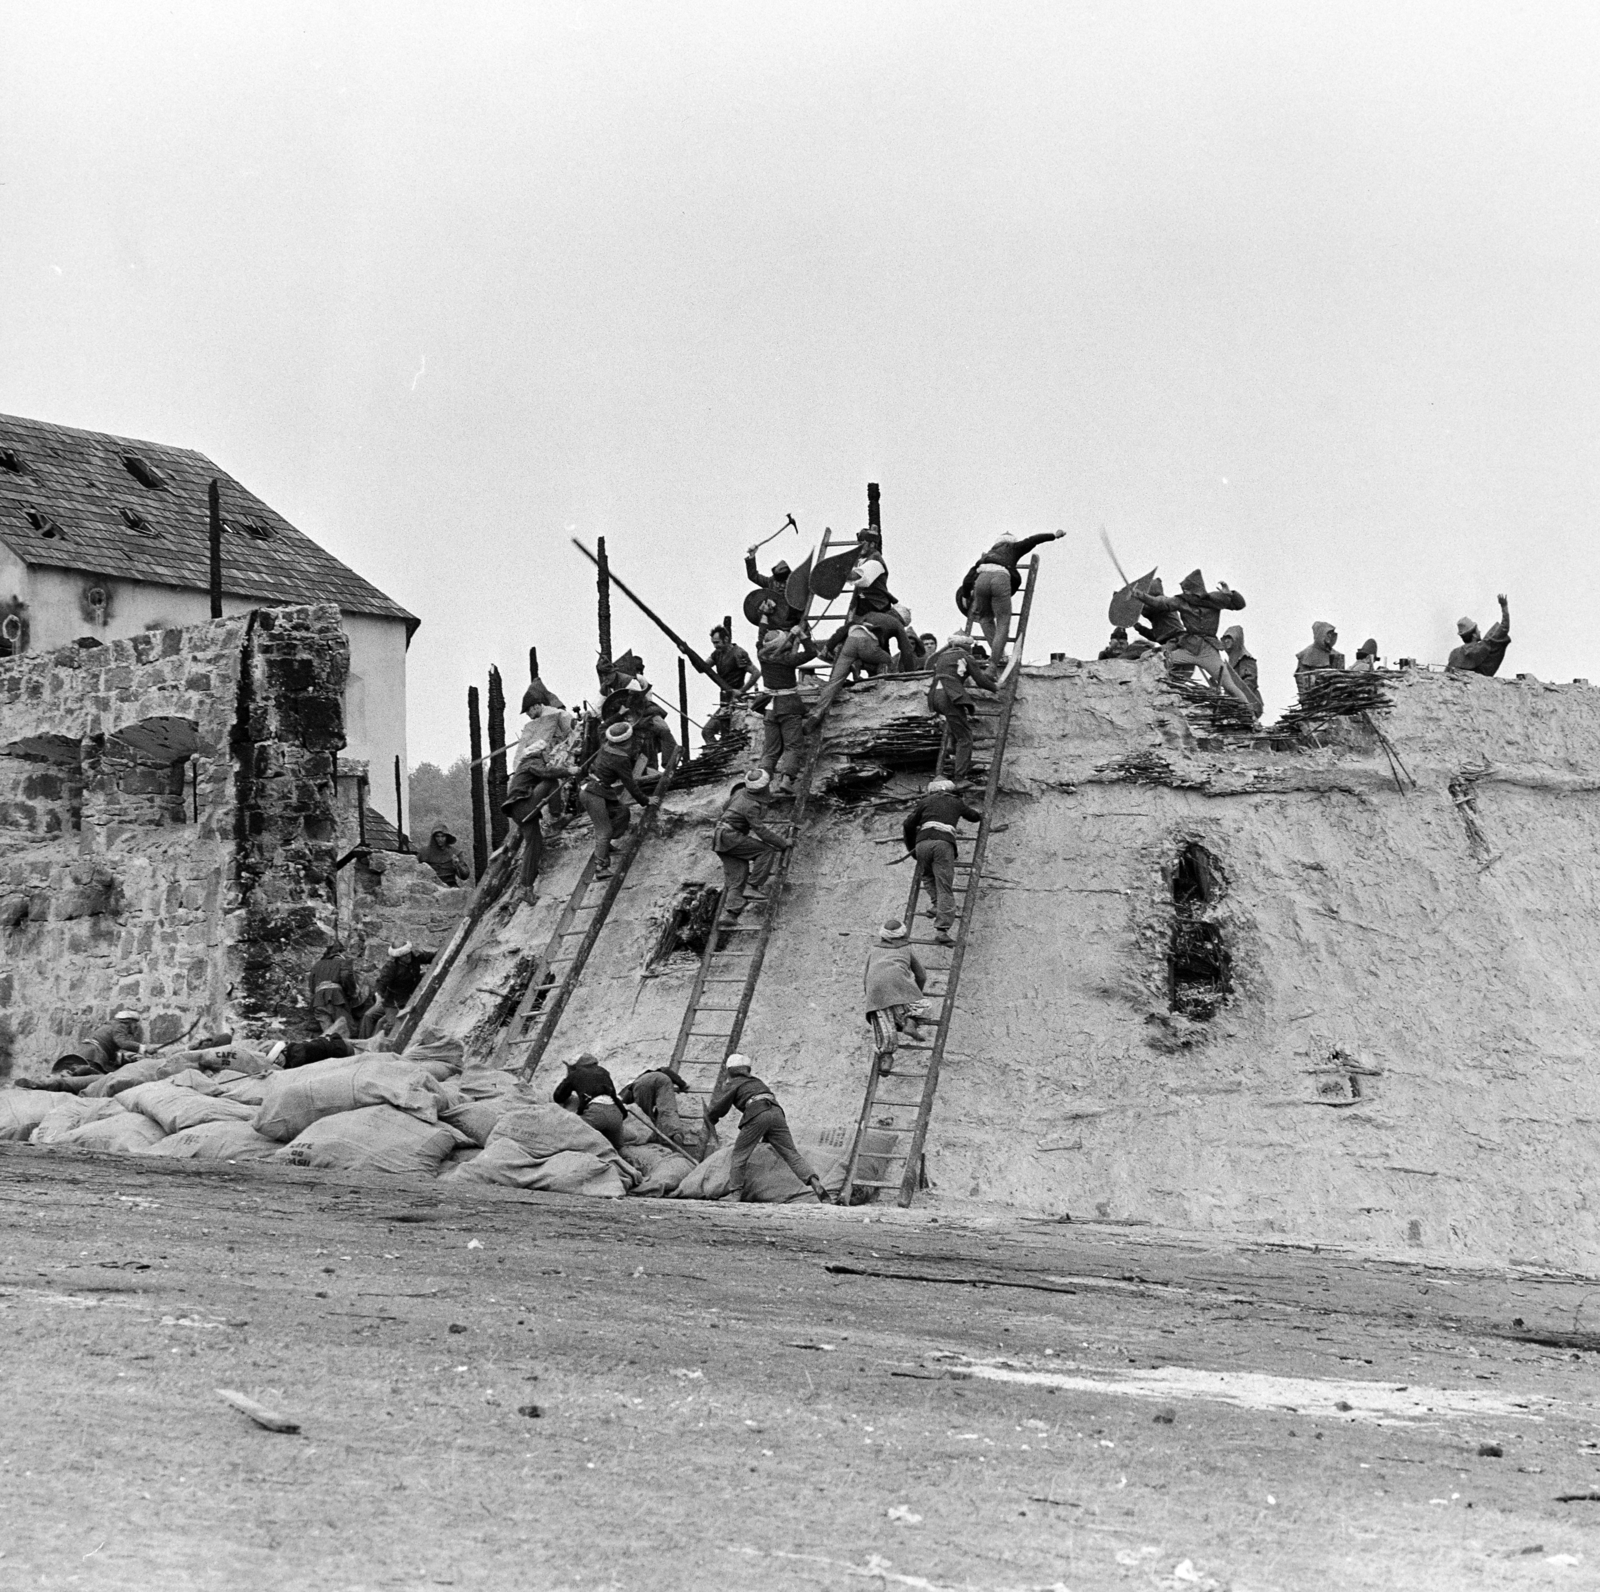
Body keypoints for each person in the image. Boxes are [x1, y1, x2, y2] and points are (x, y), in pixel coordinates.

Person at [705, 1054, 830, 1202]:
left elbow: (719, 1107)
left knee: (739, 1155)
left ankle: (735, 1193)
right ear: (747, 1070)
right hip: (776, 1112)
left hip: (757, 1112)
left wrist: (711, 1118)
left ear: (730, 1071)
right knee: (791, 1153)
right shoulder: (757, 1082)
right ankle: (816, 1184)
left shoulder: (733, 1083)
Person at [1140, 570, 1255, 711]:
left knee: (1229, 686)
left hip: (1209, 651)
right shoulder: (1181, 602)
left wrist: (1229, 593)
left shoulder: (1215, 600)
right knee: (1161, 662)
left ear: (1197, 589)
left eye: (1188, 589)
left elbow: (1239, 605)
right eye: (1185, 590)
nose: (1186, 592)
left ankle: (1251, 716)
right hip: (1189, 648)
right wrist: (1140, 596)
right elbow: (1160, 602)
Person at [503, 697, 578, 891]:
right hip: (523, 805)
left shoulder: (526, 763)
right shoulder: (532, 761)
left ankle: (526, 886)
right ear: (541, 752)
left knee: (533, 845)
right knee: (551, 780)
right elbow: (546, 773)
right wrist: (568, 771)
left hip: (519, 811)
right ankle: (556, 816)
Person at [961, 529, 1064, 668]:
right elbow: (1033, 540)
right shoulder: (1013, 547)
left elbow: (968, 579)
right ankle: (994, 665)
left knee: (985, 619)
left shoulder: (986, 556)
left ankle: (999, 653)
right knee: (1003, 622)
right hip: (1000, 578)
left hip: (981, 580)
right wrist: (1054, 536)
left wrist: (966, 595)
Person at [902, 778, 984, 943]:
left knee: (927, 875)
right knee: (944, 885)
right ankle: (942, 929)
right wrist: (980, 815)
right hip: (942, 843)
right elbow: (973, 817)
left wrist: (913, 848)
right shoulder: (956, 802)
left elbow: (908, 824)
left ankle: (936, 904)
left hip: (922, 843)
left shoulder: (925, 801)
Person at [805, 605, 916, 727]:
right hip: (868, 643)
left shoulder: (870, 615)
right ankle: (880, 690)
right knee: (888, 660)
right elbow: (907, 651)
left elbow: (844, 629)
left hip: (851, 640)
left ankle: (817, 713)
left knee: (835, 681)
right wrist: (911, 676)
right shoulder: (897, 623)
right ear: (902, 620)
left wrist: (829, 646)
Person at [711, 769, 792, 924]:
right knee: (766, 851)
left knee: (738, 876)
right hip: (731, 837)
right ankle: (753, 885)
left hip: (719, 837)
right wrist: (783, 843)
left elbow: (724, 807)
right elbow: (761, 831)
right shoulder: (751, 806)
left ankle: (730, 915)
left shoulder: (740, 792)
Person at [580, 720, 652, 880]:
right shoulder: (620, 759)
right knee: (604, 830)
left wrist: (618, 714)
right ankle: (601, 867)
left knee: (622, 812)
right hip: (594, 792)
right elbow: (630, 784)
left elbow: (602, 727)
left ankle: (605, 846)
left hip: (598, 790)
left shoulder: (606, 743)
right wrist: (646, 801)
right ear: (626, 742)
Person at [863, 919, 935, 1070]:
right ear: (902, 933)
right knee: (924, 1007)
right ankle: (910, 1023)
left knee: (884, 1025)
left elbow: (866, 977)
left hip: (875, 989)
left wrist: (871, 998)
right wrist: (915, 995)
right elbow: (921, 975)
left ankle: (886, 1058)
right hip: (900, 985)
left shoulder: (874, 949)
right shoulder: (906, 948)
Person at [755, 624, 818, 796]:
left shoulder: (762, 656)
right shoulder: (788, 659)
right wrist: (803, 636)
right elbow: (812, 653)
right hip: (788, 706)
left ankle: (761, 783)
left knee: (770, 751)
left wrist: (764, 618)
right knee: (793, 746)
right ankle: (786, 780)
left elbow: (761, 639)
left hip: (769, 708)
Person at [927, 634, 998, 783]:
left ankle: (951, 747)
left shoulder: (942, 657)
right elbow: (980, 680)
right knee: (965, 738)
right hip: (949, 695)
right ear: (967, 646)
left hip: (935, 695)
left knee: (956, 725)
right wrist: (996, 688)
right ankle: (960, 778)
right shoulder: (965, 656)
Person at [553, 1052, 627, 1150]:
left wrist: (568, 1076)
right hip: (616, 1114)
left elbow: (558, 1097)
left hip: (596, 1114)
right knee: (618, 1149)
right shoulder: (603, 1071)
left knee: (572, 1139)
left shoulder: (575, 1074)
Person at [361, 942, 437, 1035]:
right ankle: (364, 1042)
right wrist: (379, 996)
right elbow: (381, 983)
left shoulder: (415, 956)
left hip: (410, 995)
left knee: (388, 1024)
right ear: (398, 957)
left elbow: (432, 957)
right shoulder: (391, 966)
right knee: (371, 1017)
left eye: (408, 954)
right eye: (404, 956)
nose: (407, 957)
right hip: (392, 1001)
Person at [703, 626, 757, 744]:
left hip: (736, 703)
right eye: (713, 643)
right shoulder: (717, 654)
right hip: (725, 701)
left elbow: (755, 673)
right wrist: (688, 653)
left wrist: (742, 691)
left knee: (728, 735)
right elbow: (703, 668)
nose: (715, 646)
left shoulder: (738, 653)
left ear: (726, 639)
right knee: (708, 731)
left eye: (717, 642)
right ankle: (717, 755)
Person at [620, 1066, 691, 1149]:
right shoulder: (658, 1072)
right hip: (663, 1080)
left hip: (642, 1084)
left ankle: (650, 1138)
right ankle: (675, 1132)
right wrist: (682, 1084)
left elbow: (622, 1106)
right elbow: (666, 1070)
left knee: (643, 1115)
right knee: (668, 1110)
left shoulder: (630, 1089)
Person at [1448, 596, 1511, 677]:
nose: (1479, 631)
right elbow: (1504, 628)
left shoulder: (1454, 653)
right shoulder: (1483, 647)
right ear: (1474, 635)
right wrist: (1504, 606)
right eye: (1477, 630)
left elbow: (1446, 674)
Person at [307, 943, 361, 1036]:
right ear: (340, 952)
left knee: (329, 1034)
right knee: (346, 1029)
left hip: (318, 1001)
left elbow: (311, 986)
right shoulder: (342, 962)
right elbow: (346, 976)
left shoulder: (317, 965)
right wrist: (352, 992)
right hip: (336, 999)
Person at [745, 550, 801, 634]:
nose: (782, 586)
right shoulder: (770, 582)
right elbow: (753, 576)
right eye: (779, 583)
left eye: (784, 582)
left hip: (793, 626)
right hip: (774, 628)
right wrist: (751, 556)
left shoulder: (796, 585)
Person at [1219, 625, 1264, 716]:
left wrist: (1236, 699)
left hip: (1249, 704)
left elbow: (1249, 683)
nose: (1226, 641)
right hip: (1235, 702)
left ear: (1237, 639)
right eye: (1225, 638)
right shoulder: (1230, 662)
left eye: (1230, 638)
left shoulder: (1245, 659)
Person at [1294, 621, 1346, 700]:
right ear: (1321, 634)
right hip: (1312, 698)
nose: (1329, 636)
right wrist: (1304, 698)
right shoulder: (1306, 655)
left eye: (1331, 633)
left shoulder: (1336, 655)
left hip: (1332, 699)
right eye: (1327, 633)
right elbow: (1301, 679)